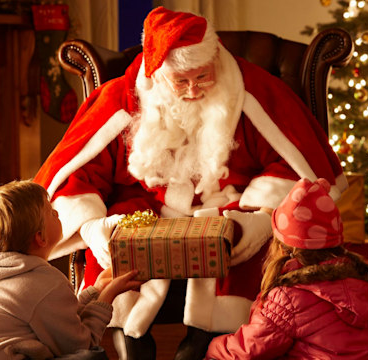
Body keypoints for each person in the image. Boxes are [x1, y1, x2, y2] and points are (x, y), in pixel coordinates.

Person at [34, 6, 347, 360]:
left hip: (225, 203)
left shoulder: (250, 90)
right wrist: (95, 227)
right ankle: (129, 338)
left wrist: (255, 215)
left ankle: (205, 341)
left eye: (203, 76)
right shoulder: (123, 99)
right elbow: (79, 173)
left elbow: (292, 167)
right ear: (158, 76)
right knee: (116, 239)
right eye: (181, 81)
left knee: (247, 241)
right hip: (146, 207)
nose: (194, 89)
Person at [0, 180, 141, 360]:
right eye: (50, 212)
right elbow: (81, 344)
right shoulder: (43, 283)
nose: (57, 212)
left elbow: (56, 316)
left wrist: (97, 289)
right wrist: (108, 296)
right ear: (40, 237)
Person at [205, 178, 368, 359]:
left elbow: (248, 350)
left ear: (283, 247)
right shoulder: (362, 278)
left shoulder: (289, 298)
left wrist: (212, 347)